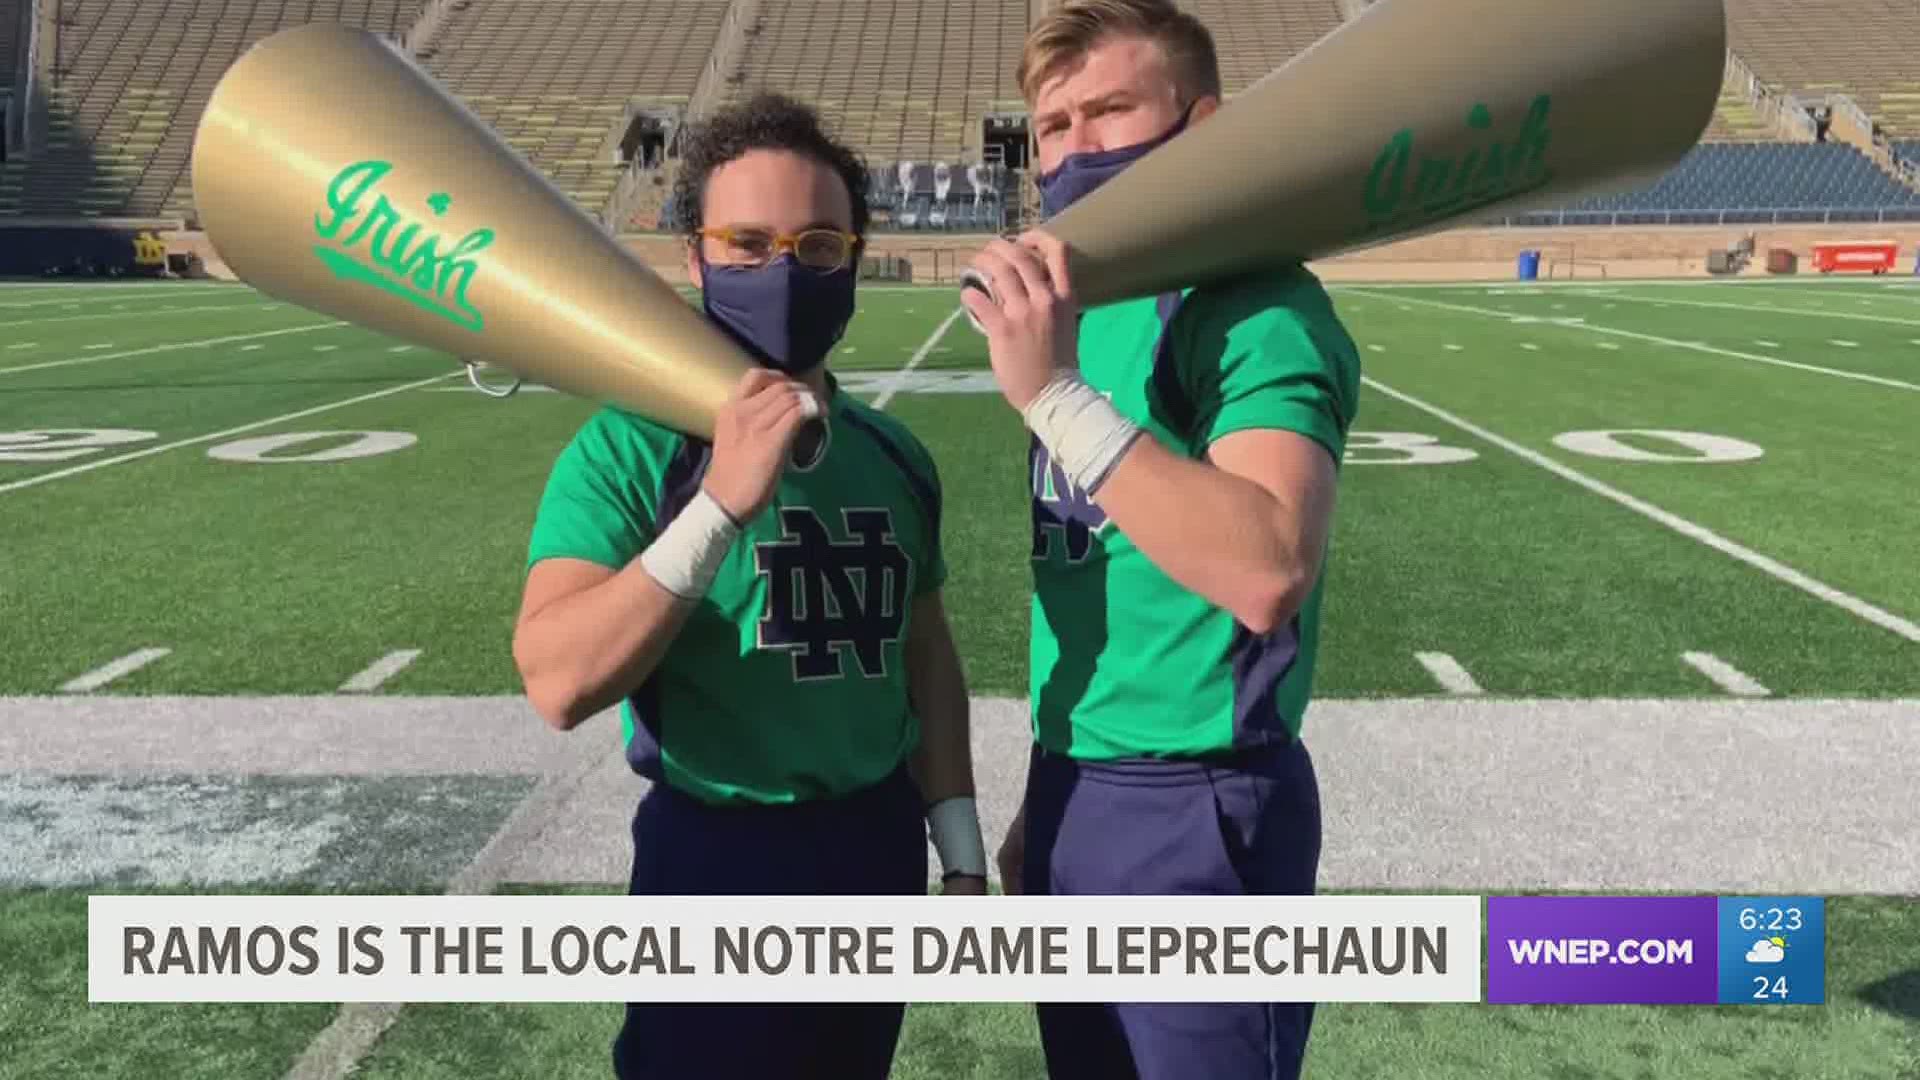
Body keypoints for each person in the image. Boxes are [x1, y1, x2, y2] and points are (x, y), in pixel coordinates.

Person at [512, 91, 987, 1080]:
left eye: (817, 245)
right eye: (746, 242)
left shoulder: (893, 455)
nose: (782, 270)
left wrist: (958, 842)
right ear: (693, 257)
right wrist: (719, 507)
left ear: (853, 258)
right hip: (719, 859)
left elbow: (924, 653)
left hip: (874, 848)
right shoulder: (628, 450)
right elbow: (556, 679)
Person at [959, 2, 1361, 1079]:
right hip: (1079, 787)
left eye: (1110, 110)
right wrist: (1053, 799)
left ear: (1203, 122)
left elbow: (1268, 564)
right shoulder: (1088, 302)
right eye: (1052, 126)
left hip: (1201, 801)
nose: (1075, 147)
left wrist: (1051, 393)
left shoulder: (1257, 306)